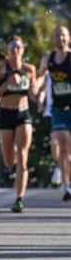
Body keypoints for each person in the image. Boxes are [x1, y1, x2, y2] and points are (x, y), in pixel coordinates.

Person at [0, 35, 38, 213]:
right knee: (9, 160)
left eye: (18, 47)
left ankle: (19, 198)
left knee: (22, 155)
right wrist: (7, 83)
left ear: (23, 50)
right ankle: (11, 168)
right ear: (7, 51)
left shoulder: (29, 69)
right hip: (5, 114)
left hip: (23, 113)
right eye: (12, 47)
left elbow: (34, 94)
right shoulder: (1, 69)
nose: (16, 50)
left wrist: (37, 93)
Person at [37, 24, 71, 201]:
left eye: (63, 35)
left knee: (68, 149)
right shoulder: (47, 58)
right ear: (53, 39)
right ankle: (67, 186)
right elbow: (39, 77)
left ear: (69, 38)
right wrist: (38, 94)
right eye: (57, 36)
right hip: (57, 109)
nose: (61, 39)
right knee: (63, 148)